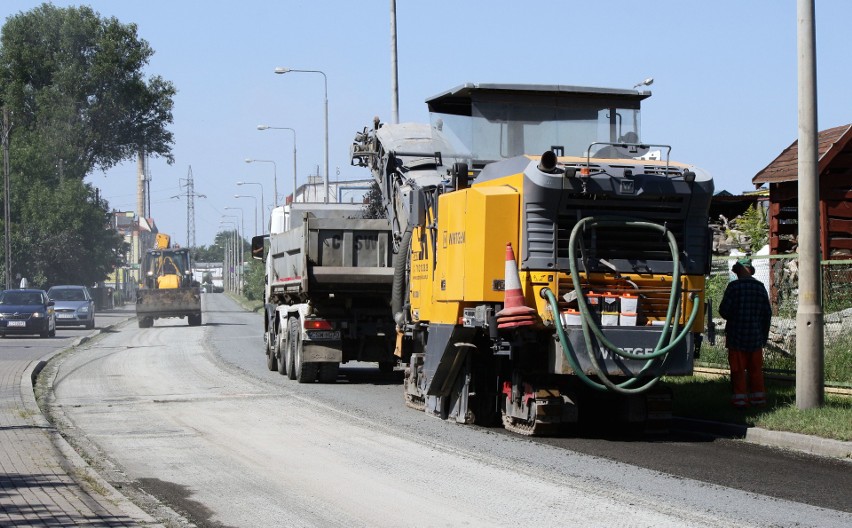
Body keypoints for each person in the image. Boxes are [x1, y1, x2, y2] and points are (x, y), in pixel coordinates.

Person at [718, 257, 772, 408]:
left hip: (737, 337)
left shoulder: (734, 287)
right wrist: (763, 335)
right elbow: (767, 313)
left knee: (738, 369)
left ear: (739, 270)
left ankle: (740, 401)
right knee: (756, 369)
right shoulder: (760, 287)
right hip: (755, 337)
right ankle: (759, 399)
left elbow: (724, 311)